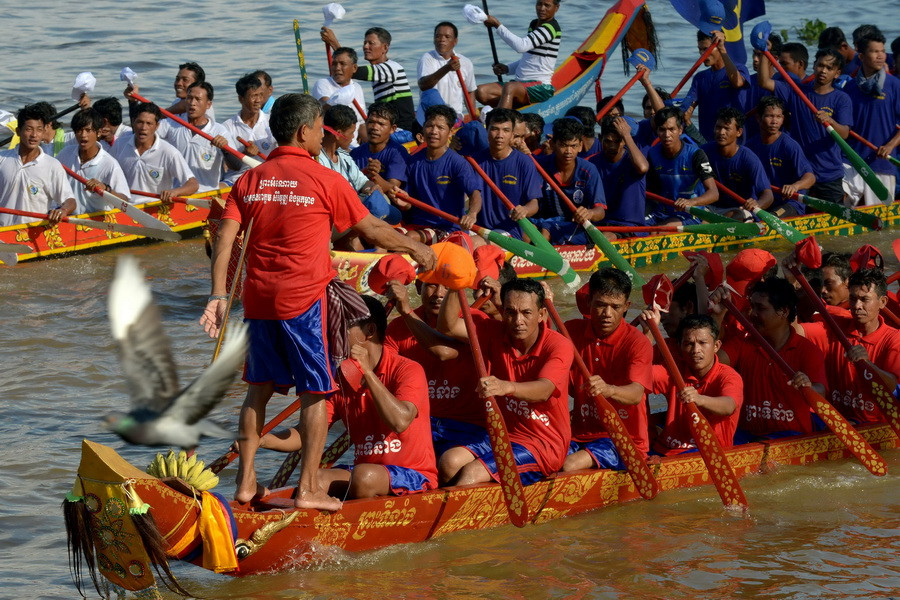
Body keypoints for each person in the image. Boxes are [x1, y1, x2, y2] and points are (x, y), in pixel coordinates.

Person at [199, 93, 435, 510]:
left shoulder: (250, 180)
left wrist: (218, 295)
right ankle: (308, 489)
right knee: (316, 393)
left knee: (258, 390)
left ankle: (245, 481)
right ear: (304, 131)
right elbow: (373, 227)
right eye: (320, 126)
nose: (322, 133)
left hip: (258, 300)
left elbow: (225, 240)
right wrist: (413, 249)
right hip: (303, 301)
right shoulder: (326, 179)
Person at [261, 296, 438, 498]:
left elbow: (400, 421)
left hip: (414, 475)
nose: (332, 335)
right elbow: (306, 432)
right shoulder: (341, 379)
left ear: (369, 332)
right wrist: (262, 440)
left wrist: (368, 374)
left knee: (363, 475)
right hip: (366, 472)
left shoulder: (408, 370)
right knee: (314, 479)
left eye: (341, 328)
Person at [437, 278, 575, 486]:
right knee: (449, 462)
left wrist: (505, 387)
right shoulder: (494, 332)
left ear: (542, 315)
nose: (518, 321)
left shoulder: (558, 345)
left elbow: (544, 390)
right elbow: (446, 327)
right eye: (510, 312)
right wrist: (457, 285)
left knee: (471, 475)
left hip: (542, 444)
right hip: (502, 435)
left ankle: (468, 515)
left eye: (526, 313)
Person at [383, 276, 488, 483]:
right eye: (432, 285)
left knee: (448, 463)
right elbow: (384, 372)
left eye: (447, 287)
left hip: (471, 427)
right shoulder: (396, 328)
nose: (439, 294)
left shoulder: (476, 321)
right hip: (422, 425)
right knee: (385, 457)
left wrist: (406, 311)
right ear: (418, 286)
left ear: (459, 291)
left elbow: (442, 352)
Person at [564, 269, 653, 469]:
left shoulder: (637, 343)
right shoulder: (570, 331)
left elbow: (636, 394)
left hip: (625, 440)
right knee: (551, 458)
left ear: (626, 307)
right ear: (588, 302)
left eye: (615, 307)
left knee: (569, 465)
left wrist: (609, 390)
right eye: (601, 305)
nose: (607, 314)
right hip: (580, 434)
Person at [717, 278, 828, 439]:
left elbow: (821, 393)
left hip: (790, 437)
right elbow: (710, 364)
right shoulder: (743, 343)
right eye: (752, 307)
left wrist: (808, 387)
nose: (753, 314)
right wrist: (717, 315)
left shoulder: (807, 350)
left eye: (760, 308)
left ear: (783, 311)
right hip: (747, 435)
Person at [797, 268, 900, 425]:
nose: (857, 306)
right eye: (852, 299)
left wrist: (868, 365)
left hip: (875, 425)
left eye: (864, 299)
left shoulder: (894, 339)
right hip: (837, 423)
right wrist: (792, 279)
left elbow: (892, 385)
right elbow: (792, 332)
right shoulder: (834, 328)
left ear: (883, 302)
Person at [758, 47, 853, 204]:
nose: (823, 70)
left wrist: (831, 121)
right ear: (814, 66)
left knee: (831, 223)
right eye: (821, 65)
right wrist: (763, 53)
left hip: (828, 173)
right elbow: (764, 82)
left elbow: (844, 134)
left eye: (829, 68)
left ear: (837, 74)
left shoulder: (841, 99)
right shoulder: (796, 91)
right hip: (799, 173)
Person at [646, 313, 743, 455]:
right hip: (665, 450)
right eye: (689, 344)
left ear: (716, 346)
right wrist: (648, 333)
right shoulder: (673, 370)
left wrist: (699, 399)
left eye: (703, 343)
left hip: (708, 453)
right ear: (679, 346)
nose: (696, 350)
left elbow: (728, 406)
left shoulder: (729, 376)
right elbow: (638, 374)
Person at [400, 104, 482, 244]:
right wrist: (402, 202)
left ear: (450, 132)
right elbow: (408, 204)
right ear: (423, 128)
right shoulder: (413, 161)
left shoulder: (457, 163)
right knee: (392, 233)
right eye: (430, 126)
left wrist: (472, 214)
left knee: (410, 238)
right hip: (418, 225)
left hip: (448, 229)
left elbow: (475, 194)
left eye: (440, 128)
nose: (433, 131)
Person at [316, 104, 395, 235]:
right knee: (375, 210)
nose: (354, 137)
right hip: (329, 219)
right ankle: (378, 247)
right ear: (339, 134)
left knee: (381, 199)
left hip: (349, 213)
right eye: (352, 133)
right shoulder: (317, 159)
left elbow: (363, 181)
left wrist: (371, 188)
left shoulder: (343, 155)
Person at [321, 26, 417, 133]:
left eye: (371, 43)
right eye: (365, 43)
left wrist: (334, 43)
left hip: (402, 131)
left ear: (385, 48)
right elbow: (348, 70)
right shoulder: (378, 72)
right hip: (388, 127)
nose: (366, 47)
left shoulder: (392, 68)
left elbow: (349, 71)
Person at [843, 30, 900, 206]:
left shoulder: (894, 85)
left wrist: (890, 146)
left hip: (881, 162)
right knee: (842, 203)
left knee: (879, 222)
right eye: (875, 51)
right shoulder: (850, 88)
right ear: (861, 56)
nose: (881, 56)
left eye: (882, 51)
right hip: (851, 161)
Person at [475, 0, 562, 109]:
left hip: (541, 87)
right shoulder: (534, 24)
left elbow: (521, 46)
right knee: (480, 92)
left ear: (556, 8)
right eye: (539, 4)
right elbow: (529, 58)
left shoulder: (551, 28)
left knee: (510, 87)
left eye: (547, 5)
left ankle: (502, 119)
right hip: (519, 84)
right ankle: (508, 110)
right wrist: (508, 69)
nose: (542, 8)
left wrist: (497, 25)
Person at [532, 117, 605, 244]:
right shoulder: (540, 166)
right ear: (553, 144)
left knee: (546, 231)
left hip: (576, 226)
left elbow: (600, 211)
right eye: (563, 145)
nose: (568, 152)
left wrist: (589, 213)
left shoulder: (589, 170)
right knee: (526, 233)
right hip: (544, 222)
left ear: (580, 146)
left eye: (573, 146)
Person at [0, 104, 76, 226]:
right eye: (29, 129)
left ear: (44, 131)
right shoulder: (2, 159)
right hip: (3, 232)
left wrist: (63, 210)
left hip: (33, 233)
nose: (34, 135)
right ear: (18, 132)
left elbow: (70, 201)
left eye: (39, 130)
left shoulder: (52, 166)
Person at [473, 108, 542, 239]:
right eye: (494, 129)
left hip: (510, 232)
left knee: (473, 244)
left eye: (506, 130)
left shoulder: (524, 162)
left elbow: (534, 204)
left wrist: (524, 210)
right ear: (486, 131)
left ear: (511, 134)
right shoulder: (474, 161)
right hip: (478, 228)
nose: (500, 135)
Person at [160, 82, 240, 192]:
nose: (192, 103)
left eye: (198, 99)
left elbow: (236, 166)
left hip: (206, 194)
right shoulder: (171, 124)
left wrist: (225, 149)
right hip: (176, 193)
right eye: (189, 98)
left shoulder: (219, 130)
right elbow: (143, 133)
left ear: (208, 104)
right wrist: (133, 103)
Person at [110, 102, 198, 202]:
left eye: (149, 123)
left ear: (157, 126)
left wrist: (175, 192)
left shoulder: (169, 152)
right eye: (140, 122)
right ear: (133, 122)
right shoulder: (119, 144)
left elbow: (193, 184)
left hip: (154, 207)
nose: (143, 128)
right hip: (124, 206)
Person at [746, 96, 816, 217]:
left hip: (790, 203)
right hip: (763, 202)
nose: (774, 121)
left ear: (783, 119)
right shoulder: (750, 146)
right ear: (758, 118)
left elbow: (810, 177)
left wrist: (795, 186)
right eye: (769, 116)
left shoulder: (790, 145)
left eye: (778, 117)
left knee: (773, 218)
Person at [646, 106, 718, 224]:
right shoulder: (652, 154)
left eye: (671, 129)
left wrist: (691, 202)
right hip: (662, 210)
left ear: (680, 130)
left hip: (690, 211)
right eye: (662, 130)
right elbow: (650, 190)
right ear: (657, 131)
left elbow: (714, 193)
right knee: (641, 228)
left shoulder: (696, 154)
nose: (666, 135)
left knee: (661, 230)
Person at [700, 107, 773, 220]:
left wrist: (757, 205)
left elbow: (768, 195)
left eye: (726, 128)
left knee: (742, 216)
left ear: (739, 132)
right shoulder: (704, 152)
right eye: (718, 127)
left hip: (738, 210)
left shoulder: (748, 158)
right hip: (710, 207)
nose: (721, 132)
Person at [56, 108, 131, 214]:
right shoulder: (65, 154)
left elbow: (125, 201)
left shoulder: (110, 164)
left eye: (88, 130)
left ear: (99, 132)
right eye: (79, 130)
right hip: (68, 218)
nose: (83, 135)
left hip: (96, 221)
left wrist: (105, 188)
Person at [682, 28, 749, 143]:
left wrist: (722, 49)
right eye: (700, 49)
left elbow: (737, 82)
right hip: (708, 142)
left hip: (734, 142)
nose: (703, 54)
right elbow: (687, 109)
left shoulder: (739, 69)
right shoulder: (700, 78)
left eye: (707, 49)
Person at [590, 116, 649, 233]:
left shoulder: (634, 161)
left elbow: (643, 168)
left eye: (617, 141)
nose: (612, 147)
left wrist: (626, 135)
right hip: (601, 224)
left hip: (629, 226)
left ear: (624, 141)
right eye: (607, 141)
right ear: (600, 138)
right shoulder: (592, 163)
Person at [417, 22, 477, 122]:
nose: (442, 40)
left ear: (455, 41)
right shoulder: (427, 58)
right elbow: (424, 86)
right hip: (430, 119)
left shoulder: (465, 62)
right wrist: (447, 68)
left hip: (455, 118)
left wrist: (473, 117)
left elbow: (470, 91)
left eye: (447, 37)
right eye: (438, 36)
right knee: (432, 93)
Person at [126, 61, 215, 124]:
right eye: (177, 79)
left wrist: (135, 99)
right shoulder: (177, 102)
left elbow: (158, 115)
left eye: (185, 80)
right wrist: (133, 100)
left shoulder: (201, 105)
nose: (179, 83)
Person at [311, 47, 367, 145]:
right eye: (334, 64)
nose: (337, 68)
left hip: (353, 145)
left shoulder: (357, 88)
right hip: (332, 145)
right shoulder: (323, 84)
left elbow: (361, 124)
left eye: (342, 64)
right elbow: (325, 106)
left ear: (354, 68)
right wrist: (337, 100)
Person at [350, 102, 409, 193]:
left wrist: (373, 175)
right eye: (371, 122)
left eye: (381, 124)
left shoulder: (398, 153)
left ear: (392, 129)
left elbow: (394, 189)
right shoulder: (355, 153)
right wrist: (366, 171)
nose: (374, 127)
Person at [222, 73, 276, 164]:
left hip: (267, 175)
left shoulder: (273, 122)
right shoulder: (227, 127)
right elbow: (234, 166)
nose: (258, 100)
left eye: (261, 95)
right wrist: (245, 153)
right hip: (239, 176)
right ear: (241, 99)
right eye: (253, 96)